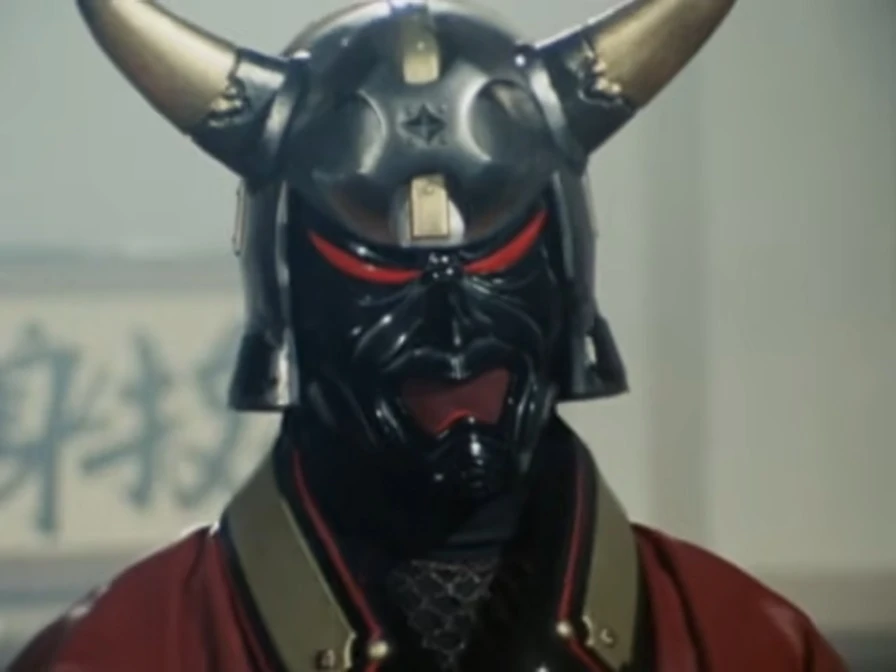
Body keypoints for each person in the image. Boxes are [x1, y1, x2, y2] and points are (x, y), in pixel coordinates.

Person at [9, 1, 847, 670]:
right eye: (373, 251)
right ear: (287, 277)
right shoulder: (117, 653)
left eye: (497, 241)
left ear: (563, 257)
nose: (449, 323)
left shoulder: (748, 645)